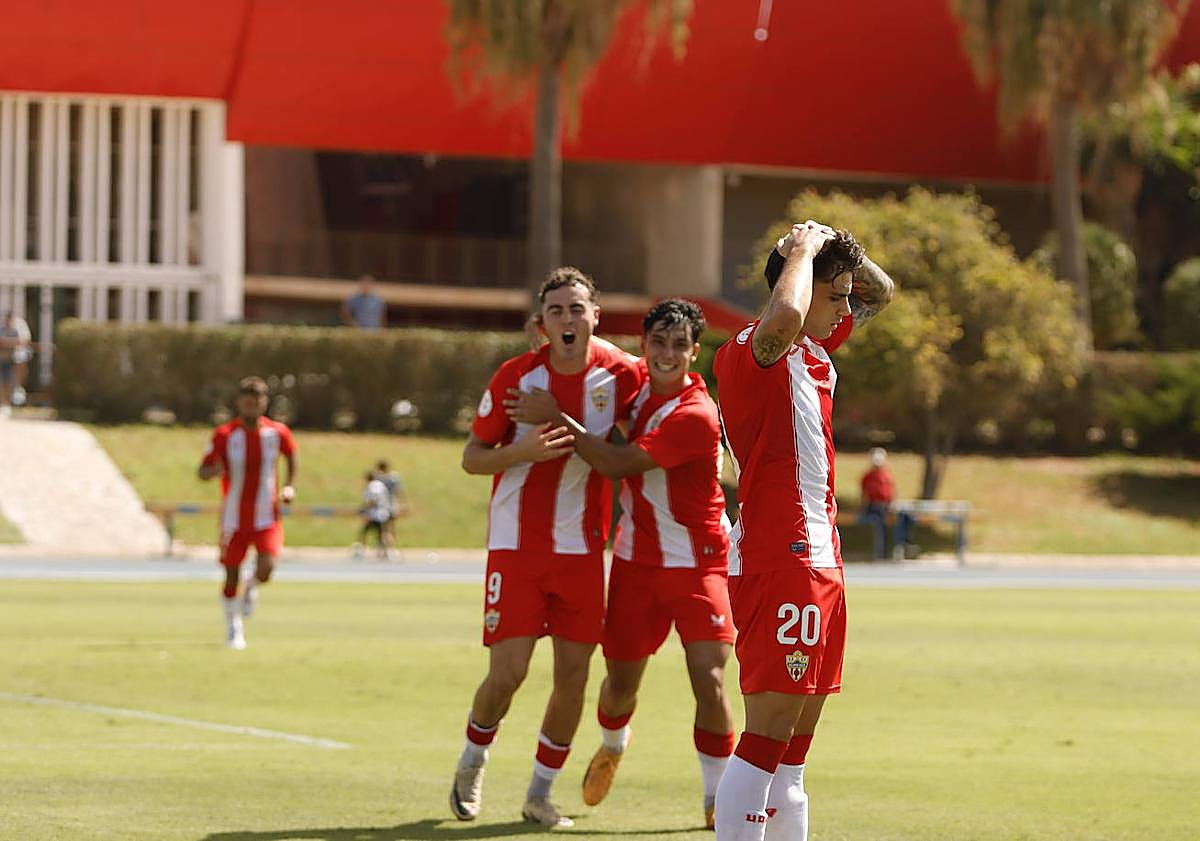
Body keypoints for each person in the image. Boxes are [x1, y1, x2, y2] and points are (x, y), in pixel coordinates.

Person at [505, 298, 736, 829]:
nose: (668, 354)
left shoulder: (696, 416)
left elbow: (613, 464)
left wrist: (555, 417)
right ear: (645, 346)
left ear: (695, 353)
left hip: (700, 563)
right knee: (619, 685)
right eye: (660, 342)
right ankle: (614, 741)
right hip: (635, 562)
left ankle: (715, 797)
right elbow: (594, 352)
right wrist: (548, 339)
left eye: (681, 346)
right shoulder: (631, 385)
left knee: (711, 677)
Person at [712, 220, 893, 841]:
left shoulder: (813, 350)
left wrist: (845, 251)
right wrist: (805, 249)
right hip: (777, 552)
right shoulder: (752, 351)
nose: (846, 307)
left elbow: (881, 293)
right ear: (797, 285)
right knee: (765, 738)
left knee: (793, 754)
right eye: (833, 294)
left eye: (844, 296)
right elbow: (783, 315)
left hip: (820, 554)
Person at [449, 266, 641, 829]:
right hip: (517, 548)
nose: (567, 319)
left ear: (594, 316)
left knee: (573, 679)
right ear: (541, 323)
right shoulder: (515, 378)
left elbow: (658, 412)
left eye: (577, 308)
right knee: (507, 674)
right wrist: (522, 452)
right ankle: (472, 760)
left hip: (582, 551)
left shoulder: (620, 376)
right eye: (556, 310)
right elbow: (471, 457)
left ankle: (539, 793)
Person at [197, 376, 298, 650]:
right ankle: (234, 627)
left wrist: (289, 486)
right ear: (239, 402)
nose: (253, 404)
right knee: (231, 574)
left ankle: (251, 587)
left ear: (265, 402)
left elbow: (292, 456)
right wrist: (213, 471)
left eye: (258, 399)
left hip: (266, 515)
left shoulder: (276, 433)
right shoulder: (225, 435)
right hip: (234, 517)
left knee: (266, 568)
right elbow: (203, 470)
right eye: (248, 399)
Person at [858, 447, 895, 560]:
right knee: (877, 527)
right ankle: (878, 554)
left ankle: (885, 554)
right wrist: (862, 508)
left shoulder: (887, 475)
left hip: (884, 507)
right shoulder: (867, 476)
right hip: (872, 507)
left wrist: (891, 506)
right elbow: (864, 495)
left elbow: (891, 492)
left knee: (887, 529)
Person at [354, 471, 394, 560]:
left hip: (376, 514)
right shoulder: (380, 485)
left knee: (366, 532)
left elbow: (373, 500)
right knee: (381, 533)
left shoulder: (373, 486)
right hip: (383, 513)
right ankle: (385, 552)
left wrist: (365, 509)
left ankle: (362, 550)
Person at [0, 311, 32, 416]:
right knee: (3, 382)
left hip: (13, 359)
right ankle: (4, 404)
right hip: (4, 359)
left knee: (10, 381)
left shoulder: (19, 326)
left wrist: (9, 343)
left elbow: (23, 341)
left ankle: (14, 396)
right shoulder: (3, 327)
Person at [374, 459, 405, 547]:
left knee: (384, 527)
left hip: (383, 507)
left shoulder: (379, 478)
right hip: (392, 505)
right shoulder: (393, 477)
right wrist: (403, 503)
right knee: (391, 527)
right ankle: (391, 545)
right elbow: (399, 491)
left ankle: (384, 545)